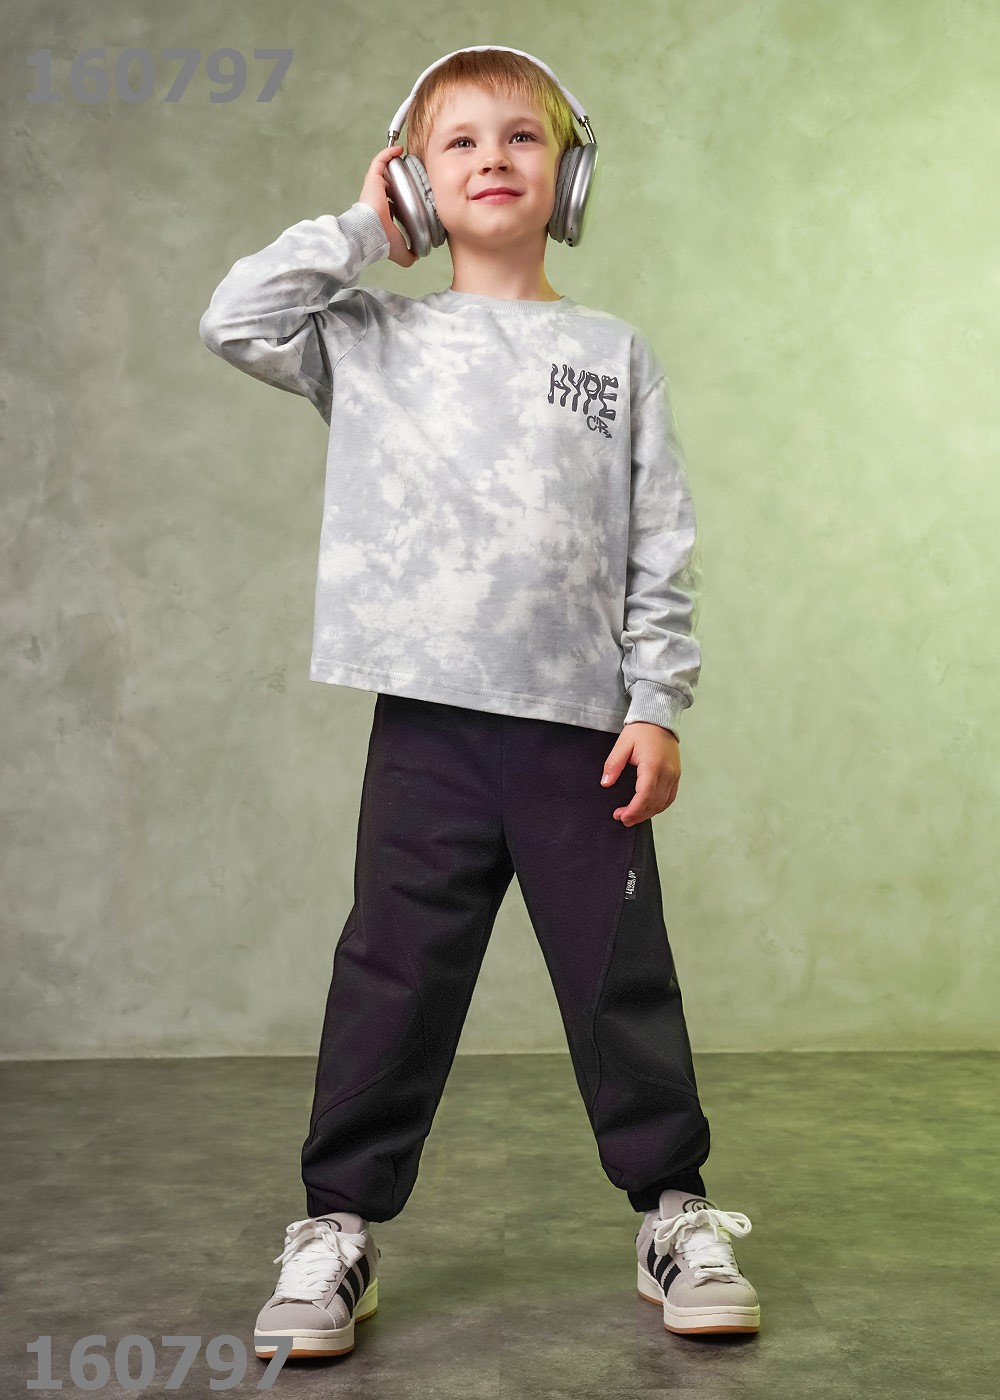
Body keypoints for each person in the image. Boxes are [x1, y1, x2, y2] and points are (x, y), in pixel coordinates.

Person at [198, 45, 761, 1359]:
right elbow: (233, 316)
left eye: (523, 137)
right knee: (392, 976)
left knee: (620, 977)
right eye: (458, 143)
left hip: (581, 733)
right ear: (413, 177)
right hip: (429, 729)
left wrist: (656, 700)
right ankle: (336, 1228)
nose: (493, 159)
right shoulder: (369, 338)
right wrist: (361, 229)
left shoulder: (612, 353)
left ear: (569, 177)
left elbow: (659, 545)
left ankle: (674, 1211)